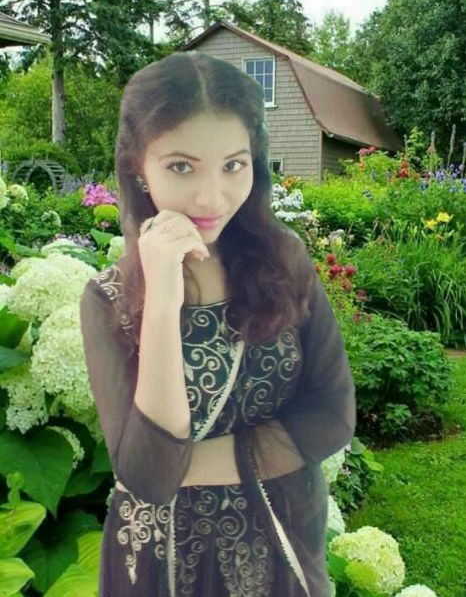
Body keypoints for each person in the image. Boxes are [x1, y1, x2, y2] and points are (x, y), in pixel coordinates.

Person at [80, 50, 356, 597]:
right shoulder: (109, 301)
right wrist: (163, 300)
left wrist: (189, 463)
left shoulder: (284, 264)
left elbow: (332, 415)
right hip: (159, 560)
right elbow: (149, 476)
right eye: (182, 166)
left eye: (234, 165)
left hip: (282, 538)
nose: (213, 197)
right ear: (138, 167)